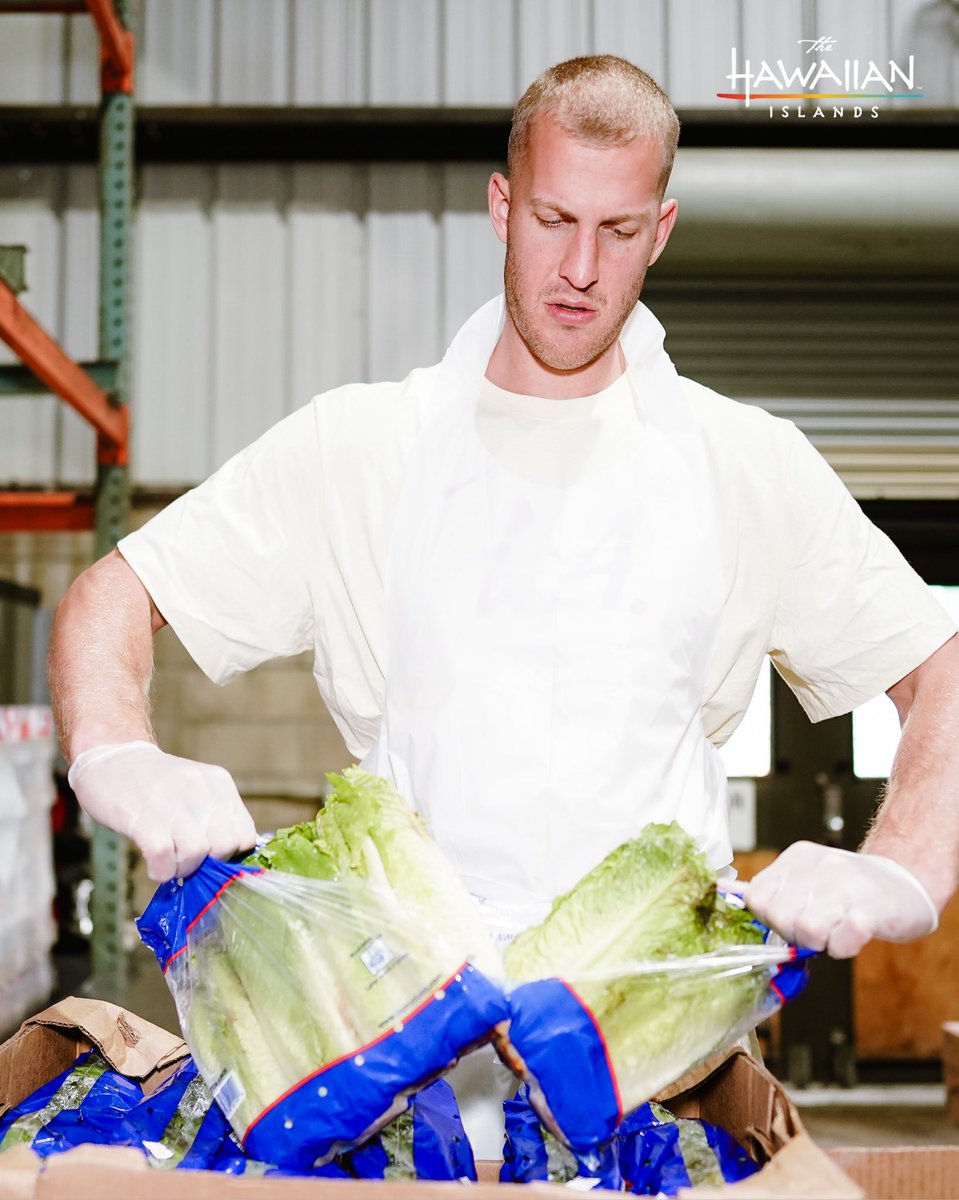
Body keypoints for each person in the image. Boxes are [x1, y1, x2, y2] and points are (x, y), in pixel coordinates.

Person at [51, 54, 956, 1039]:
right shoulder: (361, 447)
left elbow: (937, 670)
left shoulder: (742, 463)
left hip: (653, 1055)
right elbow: (112, 596)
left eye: (615, 232)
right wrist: (116, 748)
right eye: (552, 220)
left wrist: (902, 859)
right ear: (500, 205)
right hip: (405, 1054)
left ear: (658, 231)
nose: (579, 270)